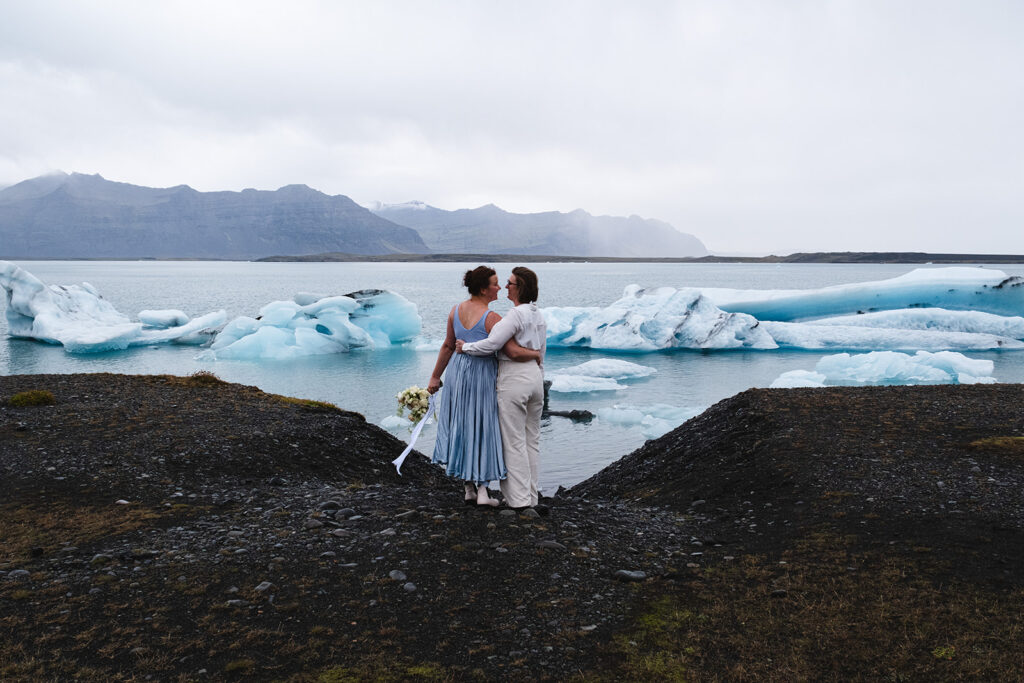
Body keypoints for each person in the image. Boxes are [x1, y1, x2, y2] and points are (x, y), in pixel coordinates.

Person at [427, 266, 538, 507]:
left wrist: (435, 377)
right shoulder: (492, 318)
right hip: (481, 374)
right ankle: (483, 491)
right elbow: (510, 351)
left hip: (457, 372)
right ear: (483, 288)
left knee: (462, 424)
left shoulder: (455, 310)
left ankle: (467, 487)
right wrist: (535, 353)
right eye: (495, 284)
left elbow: (447, 346)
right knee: (482, 425)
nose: (500, 288)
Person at [457, 266, 546, 510]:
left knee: (513, 441)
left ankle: (518, 501)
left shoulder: (515, 315)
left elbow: (493, 344)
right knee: (532, 440)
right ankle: (532, 497)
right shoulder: (538, 315)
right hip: (535, 378)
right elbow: (541, 352)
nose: (506, 286)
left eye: (510, 283)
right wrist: (538, 368)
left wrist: (465, 347)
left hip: (514, 378)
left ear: (520, 288)